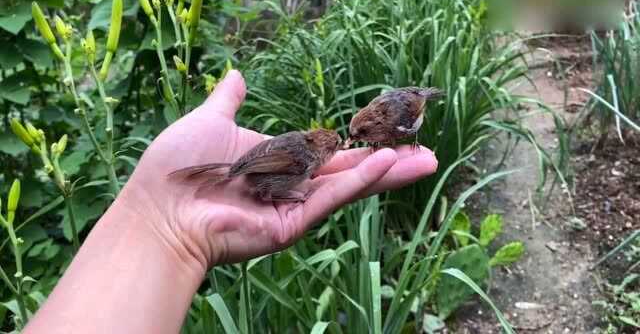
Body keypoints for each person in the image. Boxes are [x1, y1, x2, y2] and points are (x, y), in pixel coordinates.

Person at [23, 70, 438, 333]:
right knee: (290, 184)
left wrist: (163, 225)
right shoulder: (303, 154)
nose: (343, 149)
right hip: (258, 171)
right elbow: (271, 162)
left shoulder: (303, 147)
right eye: (335, 148)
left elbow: (264, 155)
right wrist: (273, 182)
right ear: (320, 150)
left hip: (252, 166)